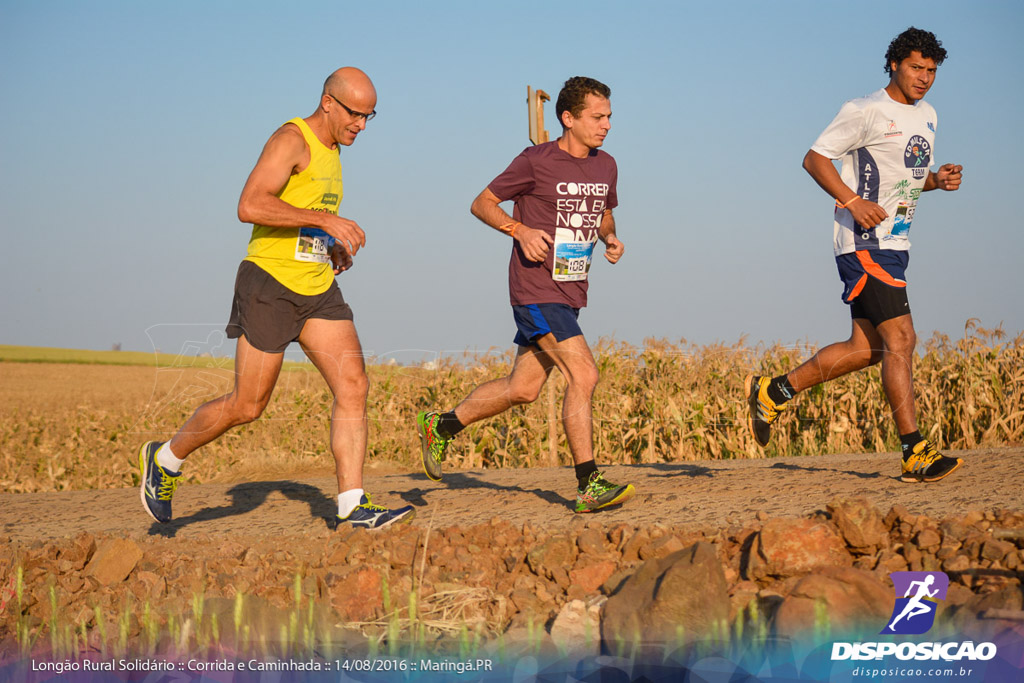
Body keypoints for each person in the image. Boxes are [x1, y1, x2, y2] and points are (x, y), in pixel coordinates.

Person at [138, 67, 414, 529]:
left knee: (354, 386)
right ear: (328, 102)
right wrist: (327, 222)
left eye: (370, 117)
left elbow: (302, 215)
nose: (361, 126)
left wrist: (330, 245)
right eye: (355, 114)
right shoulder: (292, 139)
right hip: (269, 284)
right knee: (247, 405)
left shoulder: (333, 149)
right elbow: (250, 204)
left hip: (316, 287)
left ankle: (352, 504)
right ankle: (165, 458)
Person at [745, 28, 964, 483]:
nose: (924, 77)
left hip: (897, 244)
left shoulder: (928, 116)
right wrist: (851, 201)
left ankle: (775, 390)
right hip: (865, 244)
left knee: (867, 349)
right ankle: (914, 451)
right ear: (894, 64)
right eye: (916, 67)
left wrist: (935, 181)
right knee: (901, 339)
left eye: (931, 70)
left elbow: (903, 178)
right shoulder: (863, 110)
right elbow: (815, 159)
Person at [416, 76, 635, 513]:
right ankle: (588, 483)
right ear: (567, 118)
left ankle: (440, 426)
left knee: (523, 389)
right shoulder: (535, 160)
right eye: (597, 116)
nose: (607, 124)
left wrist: (610, 238)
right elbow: (482, 203)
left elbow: (604, 211)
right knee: (584, 376)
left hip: (572, 291)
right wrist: (518, 230)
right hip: (535, 290)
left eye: (609, 116)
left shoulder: (606, 164)